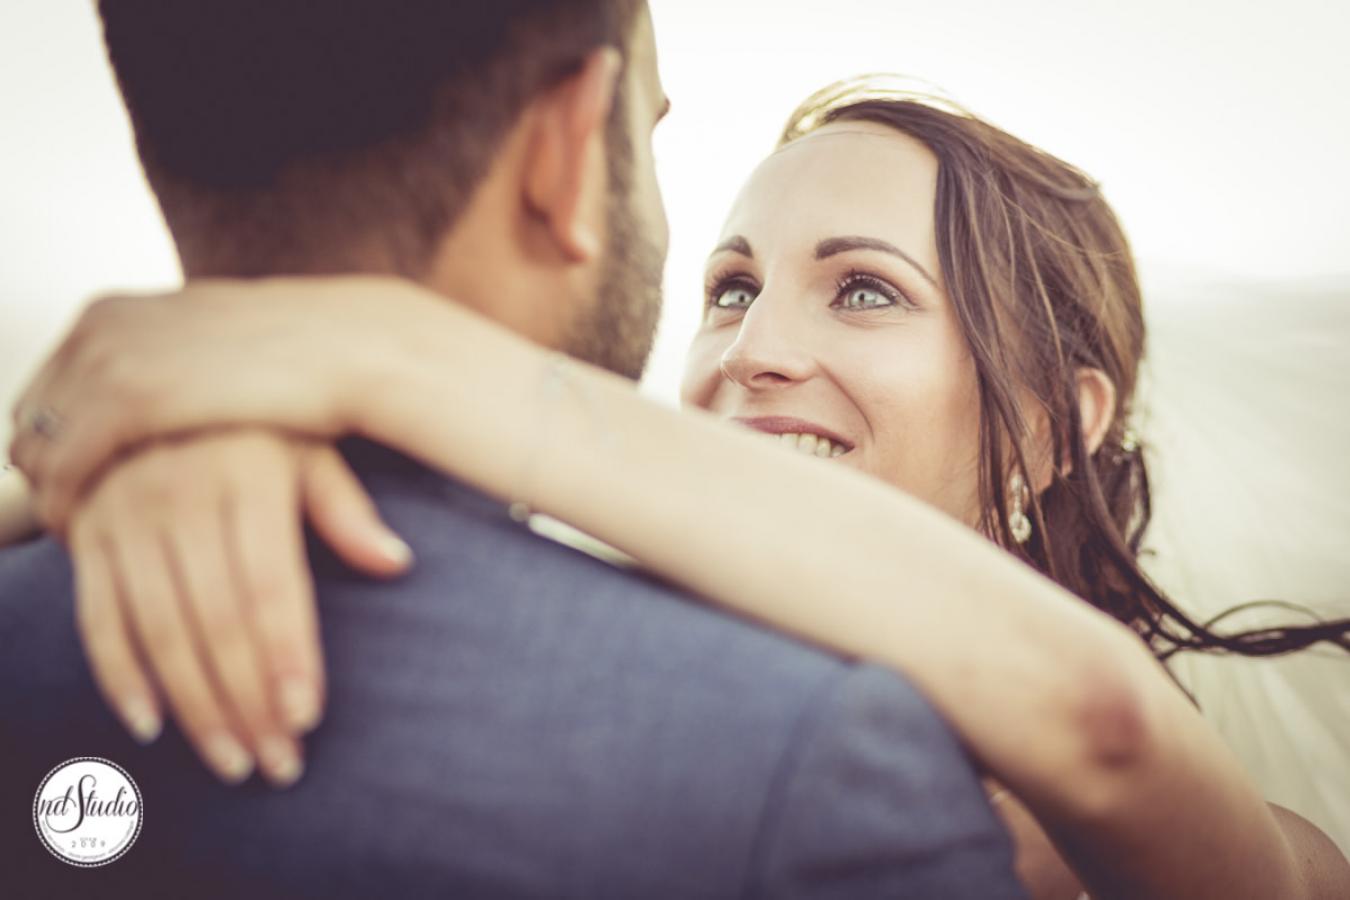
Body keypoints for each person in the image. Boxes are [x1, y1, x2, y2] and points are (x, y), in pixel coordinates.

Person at [6, 11, 1350, 900]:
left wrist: (383, 348)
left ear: (1057, 425)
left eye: (864, 290)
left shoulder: (1127, 837)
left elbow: (1111, 738)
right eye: (727, 286)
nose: (749, 351)